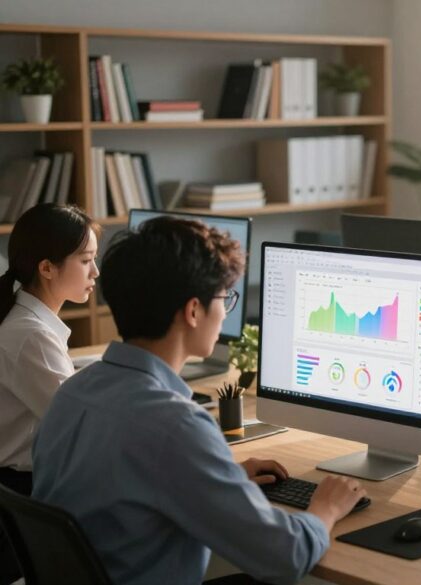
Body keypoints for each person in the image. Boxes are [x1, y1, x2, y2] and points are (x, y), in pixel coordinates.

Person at [32, 216, 366, 584]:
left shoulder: (72, 393)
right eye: (224, 298)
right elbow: (287, 556)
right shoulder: (175, 426)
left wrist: (220, 478)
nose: (225, 312)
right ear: (193, 311)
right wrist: (325, 509)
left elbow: (122, 485)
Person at [0, 203, 99, 495]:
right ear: (46, 268)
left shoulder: (24, 319)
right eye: (86, 260)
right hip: (27, 489)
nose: (95, 271)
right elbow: (81, 423)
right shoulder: (31, 335)